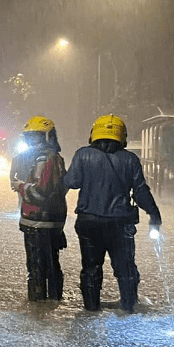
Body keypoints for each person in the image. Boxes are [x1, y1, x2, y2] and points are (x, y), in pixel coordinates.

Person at [63, 114, 162, 313]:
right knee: (125, 269)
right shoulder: (130, 160)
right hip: (120, 224)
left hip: (88, 222)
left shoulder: (82, 155)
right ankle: (128, 308)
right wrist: (154, 215)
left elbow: (71, 182)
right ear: (122, 135)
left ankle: (91, 310)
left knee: (91, 269)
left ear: (94, 134)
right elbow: (141, 191)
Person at [10, 116, 68, 301]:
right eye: (29, 138)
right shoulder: (51, 158)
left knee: (37, 267)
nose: (31, 141)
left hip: (37, 222)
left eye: (36, 137)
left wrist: (20, 185)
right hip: (51, 221)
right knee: (51, 264)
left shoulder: (46, 159)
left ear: (47, 137)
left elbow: (40, 192)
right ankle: (53, 302)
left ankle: (39, 307)